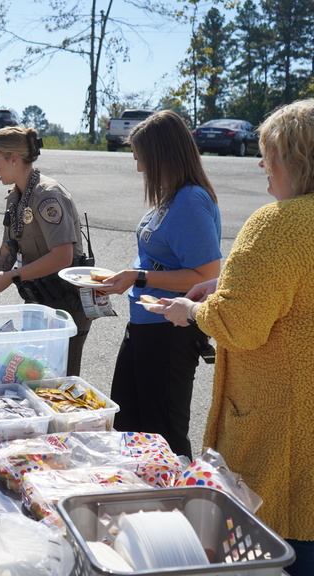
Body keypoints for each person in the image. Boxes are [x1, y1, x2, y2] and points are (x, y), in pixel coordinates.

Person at [150, 99, 314, 575]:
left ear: (297, 158)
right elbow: (307, 288)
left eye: (268, 152)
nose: (260, 163)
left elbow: (240, 325)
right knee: (306, 532)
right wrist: (226, 283)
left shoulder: (277, 224)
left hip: (289, 419)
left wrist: (191, 309)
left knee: (285, 537)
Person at [93, 110, 222, 458]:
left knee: (163, 434)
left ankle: (178, 503)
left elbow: (206, 275)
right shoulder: (170, 196)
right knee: (129, 425)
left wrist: (140, 277)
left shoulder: (191, 201)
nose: (139, 168)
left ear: (163, 155)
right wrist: (123, 277)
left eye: (142, 159)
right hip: (145, 324)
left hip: (171, 330)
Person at [0, 125, 93, 375]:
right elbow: (8, 249)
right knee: (33, 377)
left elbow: (63, 256)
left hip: (64, 304)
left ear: (14, 159)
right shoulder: (17, 196)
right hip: (38, 300)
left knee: (58, 382)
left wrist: (13, 277)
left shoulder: (47, 195)